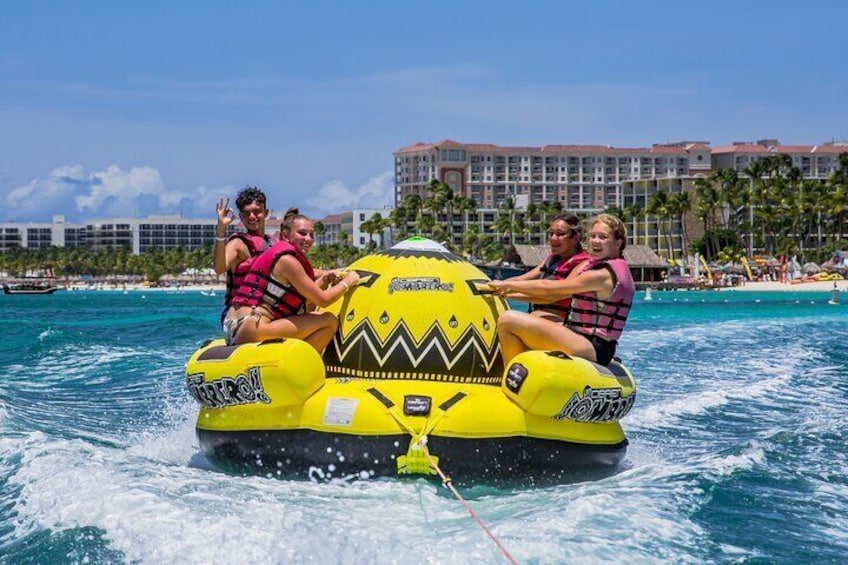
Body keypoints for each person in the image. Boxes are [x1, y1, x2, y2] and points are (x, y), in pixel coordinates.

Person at [489, 214, 635, 366]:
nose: (596, 241)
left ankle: (511, 376)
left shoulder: (601, 275)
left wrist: (508, 287)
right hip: (587, 340)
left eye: (603, 237)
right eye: (593, 236)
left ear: (618, 243)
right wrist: (504, 288)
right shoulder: (611, 268)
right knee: (538, 316)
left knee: (508, 320)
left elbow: (551, 289)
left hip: (592, 347)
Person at [223, 208, 359, 353]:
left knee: (313, 317)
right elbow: (323, 300)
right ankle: (299, 368)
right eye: (302, 233)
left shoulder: (281, 255)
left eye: (311, 235)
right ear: (285, 235)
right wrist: (349, 281)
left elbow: (302, 301)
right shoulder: (287, 261)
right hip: (252, 326)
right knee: (329, 321)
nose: (308, 239)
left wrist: (325, 279)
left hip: (234, 326)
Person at [502, 213, 590, 322]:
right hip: (542, 319)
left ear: (576, 238)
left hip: (565, 325)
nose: (553, 238)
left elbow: (551, 295)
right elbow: (521, 279)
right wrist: (495, 287)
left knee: (512, 320)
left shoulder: (583, 264)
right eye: (551, 233)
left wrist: (508, 292)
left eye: (560, 234)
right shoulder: (551, 260)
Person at [214, 187, 273, 324]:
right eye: (246, 214)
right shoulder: (238, 243)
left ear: (266, 213)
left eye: (257, 212)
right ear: (240, 217)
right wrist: (221, 229)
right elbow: (219, 268)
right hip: (240, 313)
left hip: (265, 309)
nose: (252, 217)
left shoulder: (272, 243)